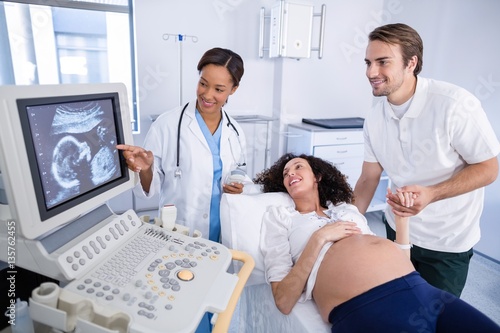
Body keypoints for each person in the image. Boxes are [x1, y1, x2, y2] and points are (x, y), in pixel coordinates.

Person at [254, 153, 500, 332]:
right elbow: (283, 301)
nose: (291, 174)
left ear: (317, 176)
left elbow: (401, 262)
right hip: (366, 306)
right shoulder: (282, 219)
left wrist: (402, 220)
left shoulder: (347, 211)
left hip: (422, 290)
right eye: (285, 174)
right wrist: (319, 238)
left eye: (298, 167)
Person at [353, 23, 500, 297]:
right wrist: (348, 219)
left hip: (447, 241)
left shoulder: (454, 105)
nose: (371, 72)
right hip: (397, 229)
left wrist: (432, 194)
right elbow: (368, 178)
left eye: (383, 62)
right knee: (397, 304)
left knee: (433, 315)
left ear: (411, 63)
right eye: (368, 62)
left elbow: (489, 168)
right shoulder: (375, 117)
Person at [117, 47, 249, 332]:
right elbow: (146, 193)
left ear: (233, 90)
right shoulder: (167, 125)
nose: (207, 94)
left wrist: (239, 187)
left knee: (211, 303)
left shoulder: (236, 132)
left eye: (219, 88)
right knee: (175, 303)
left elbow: (240, 172)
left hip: (220, 234)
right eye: (203, 83)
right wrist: (147, 168)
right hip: (179, 233)